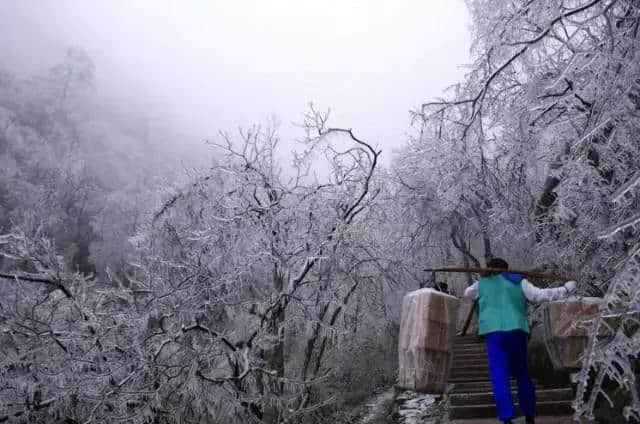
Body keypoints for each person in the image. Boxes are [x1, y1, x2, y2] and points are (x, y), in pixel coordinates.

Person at [463, 258, 576, 424]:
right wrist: (566, 289)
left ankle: (507, 418)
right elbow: (540, 295)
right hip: (516, 331)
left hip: (493, 333)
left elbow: (467, 294)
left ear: (490, 269)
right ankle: (529, 414)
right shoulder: (519, 281)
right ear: (507, 269)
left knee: (499, 375)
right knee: (522, 374)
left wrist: (484, 278)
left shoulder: (481, 284)